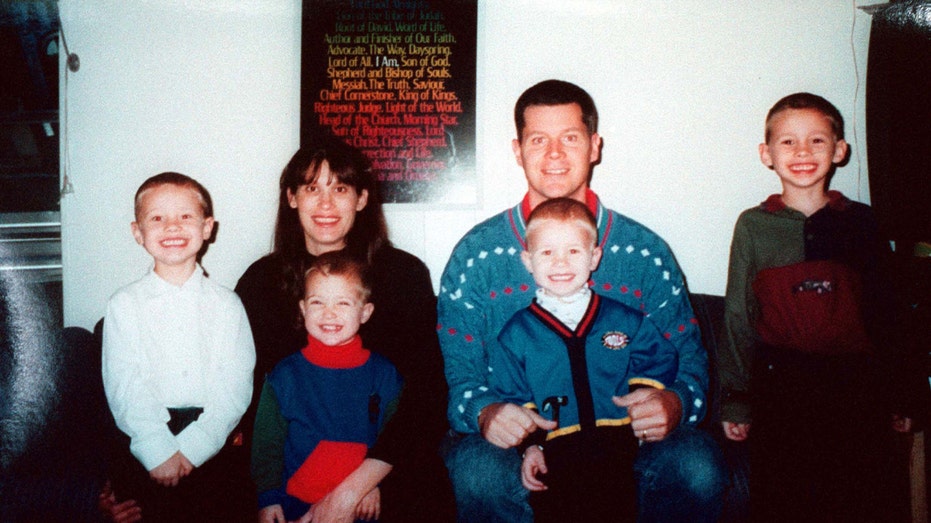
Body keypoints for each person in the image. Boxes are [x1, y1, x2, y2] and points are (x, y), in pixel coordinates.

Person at [438, 79, 726, 523]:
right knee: (479, 473)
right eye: (539, 140)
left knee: (696, 465)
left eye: (569, 138)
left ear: (594, 146)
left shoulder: (644, 252)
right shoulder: (476, 257)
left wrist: (677, 403)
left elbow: (691, 362)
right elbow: (460, 378)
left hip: (626, 442)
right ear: (517, 150)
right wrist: (484, 412)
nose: (554, 154)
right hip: (520, 447)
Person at [719, 92, 919, 522]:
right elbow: (738, 314)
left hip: (855, 390)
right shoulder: (753, 226)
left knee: (864, 498)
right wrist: (736, 399)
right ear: (766, 154)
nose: (803, 152)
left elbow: (887, 310)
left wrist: (902, 394)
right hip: (781, 390)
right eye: (787, 142)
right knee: (786, 500)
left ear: (840, 151)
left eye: (817, 141)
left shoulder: (862, 221)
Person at [236, 134, 453, 522]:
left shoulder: (402, 276)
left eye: (340, 188)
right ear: (291, 197)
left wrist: (356, 488)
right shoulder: (260, 283)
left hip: (384, 467)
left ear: (362, 199)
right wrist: (269, 492)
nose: (325, 203)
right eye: (311, 188)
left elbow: (427, 395)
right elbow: (253, 401)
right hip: (288, 473)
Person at [490, 197, 678, 523]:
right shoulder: (516, 333)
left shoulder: (624, 318)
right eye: (547, 252)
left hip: (617, 446)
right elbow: (512, 394)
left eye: (573, 251)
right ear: (528, 261)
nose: (560, 263)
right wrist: (531, 447)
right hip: (556, 453)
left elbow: (659, 355)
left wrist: (645, 392)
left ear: (594, 258)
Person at [101, 172, 256, 522]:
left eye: (185, 216)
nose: (172, 226)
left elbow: (235, 386)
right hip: (143, 442)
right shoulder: (123, 304)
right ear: (138, 232)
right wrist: (156, 450)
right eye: (157, 218)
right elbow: (124, 385)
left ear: (207, 227)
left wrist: (194, 450)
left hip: (212, 442)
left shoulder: (228, 304)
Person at [252, 252, 403, 523]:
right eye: (317, 302)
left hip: (360, 506)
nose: (329, 313)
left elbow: (394, 441)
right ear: (303, 309)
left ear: (365, 312)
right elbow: (267, 445)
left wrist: (373, 486)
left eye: (343, 303)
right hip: (294, 505)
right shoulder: (284, 376)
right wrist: (268, 499)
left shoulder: (385, 374)